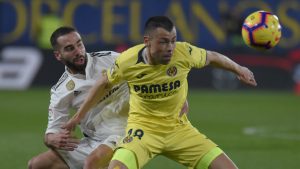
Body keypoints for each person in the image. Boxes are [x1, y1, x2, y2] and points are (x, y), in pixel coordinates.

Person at [64, 16, 257, 169]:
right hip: (143, 131)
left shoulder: (184, 53)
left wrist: (239, 69)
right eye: (164, 42)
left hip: (179, 130)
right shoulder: (128, 61)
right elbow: (103, 82)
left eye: (173, 41)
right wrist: (78, 117)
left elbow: (213, 57)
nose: (170, 48)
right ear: (147, 41)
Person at [27, 26, 130, 169]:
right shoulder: (61, 90)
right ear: (58, 55)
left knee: (91, 163)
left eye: (79, 44)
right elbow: (51, 132)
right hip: (94, 142)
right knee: (37, 165)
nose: (78, 51)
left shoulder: (110, 59)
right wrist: (51, 139)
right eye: (70, 48)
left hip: (125, 133)